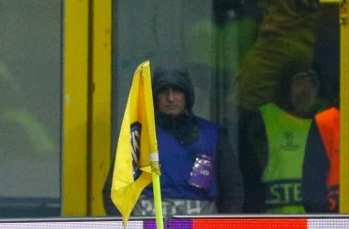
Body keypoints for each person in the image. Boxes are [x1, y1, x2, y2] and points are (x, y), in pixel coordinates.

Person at [104, 65, 244, 216]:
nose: (170, 98)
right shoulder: (138, 135)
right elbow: (115, 191)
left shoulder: (213, 135)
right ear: (155, 97)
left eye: (177, 91)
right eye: (164, 92)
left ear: (187, 96)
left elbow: (233, 191)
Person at [239, 67, 324, 213]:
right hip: (274, 223)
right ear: (286, 88)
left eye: (312, 84)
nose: (305, 90)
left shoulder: (325, 126)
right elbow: (249, 175)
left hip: (313, 225)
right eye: (299, 83)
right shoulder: (264, 122)